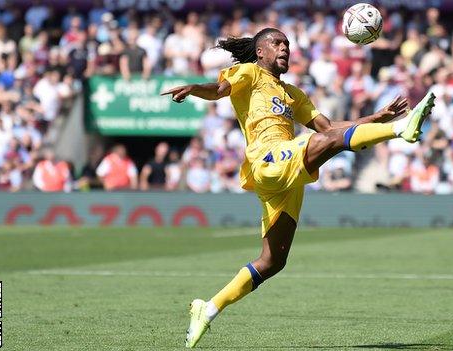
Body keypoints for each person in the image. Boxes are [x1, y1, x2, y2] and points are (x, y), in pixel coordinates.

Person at [161, 28, 435, 348]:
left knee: (272, 261)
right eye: (277, 43)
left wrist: (375, 116)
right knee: (326, 144)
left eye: (287, 44)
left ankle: (206, 309)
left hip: (286, 173)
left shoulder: (293, 94)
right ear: (260, 52)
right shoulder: (248, 72)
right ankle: (401, 130)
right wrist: (194, 88)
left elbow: (330, 128)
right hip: (268, 160)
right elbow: (219, 89)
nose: (284, 48)